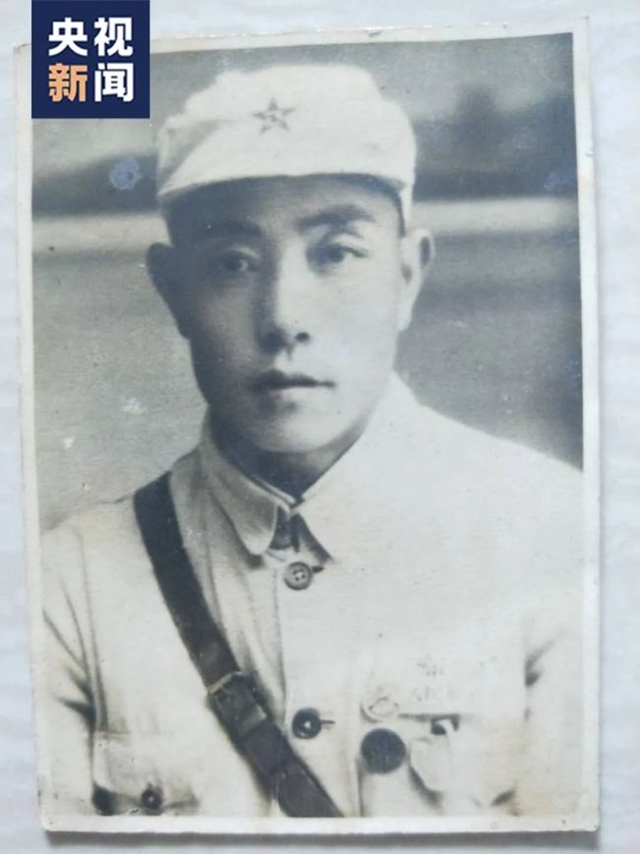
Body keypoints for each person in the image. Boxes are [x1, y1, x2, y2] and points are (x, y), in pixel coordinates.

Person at [40, 63, 584, 822]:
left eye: (335, 253)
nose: (283, 317)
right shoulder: (69, 588)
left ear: (407, 276)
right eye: (232, 263)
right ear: (173, 291)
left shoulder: (556, 539)